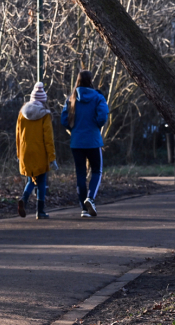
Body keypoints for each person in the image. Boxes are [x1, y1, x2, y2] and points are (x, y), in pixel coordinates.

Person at [61, 70, 109, 218]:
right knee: (96, 171)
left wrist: (74, 129)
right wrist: (94, 125)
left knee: (80, 174)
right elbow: (102, 116)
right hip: (93, 140)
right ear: (91, 80)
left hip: (77, 142)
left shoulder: (71, 98)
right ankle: (91, 199)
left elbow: (64, 120)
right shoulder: (98, 97)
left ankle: (83, 207)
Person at [16, 82, 56, 219]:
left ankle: (24, 198)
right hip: (40, 152)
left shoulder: (22, 112)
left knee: (31, 180)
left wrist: (18, 154)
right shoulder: (45, 115)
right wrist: (52, 158)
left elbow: (18, 135)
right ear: (43, 100)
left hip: (25, 151)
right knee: (42, 180)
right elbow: (48, 138)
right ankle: (40, 211)